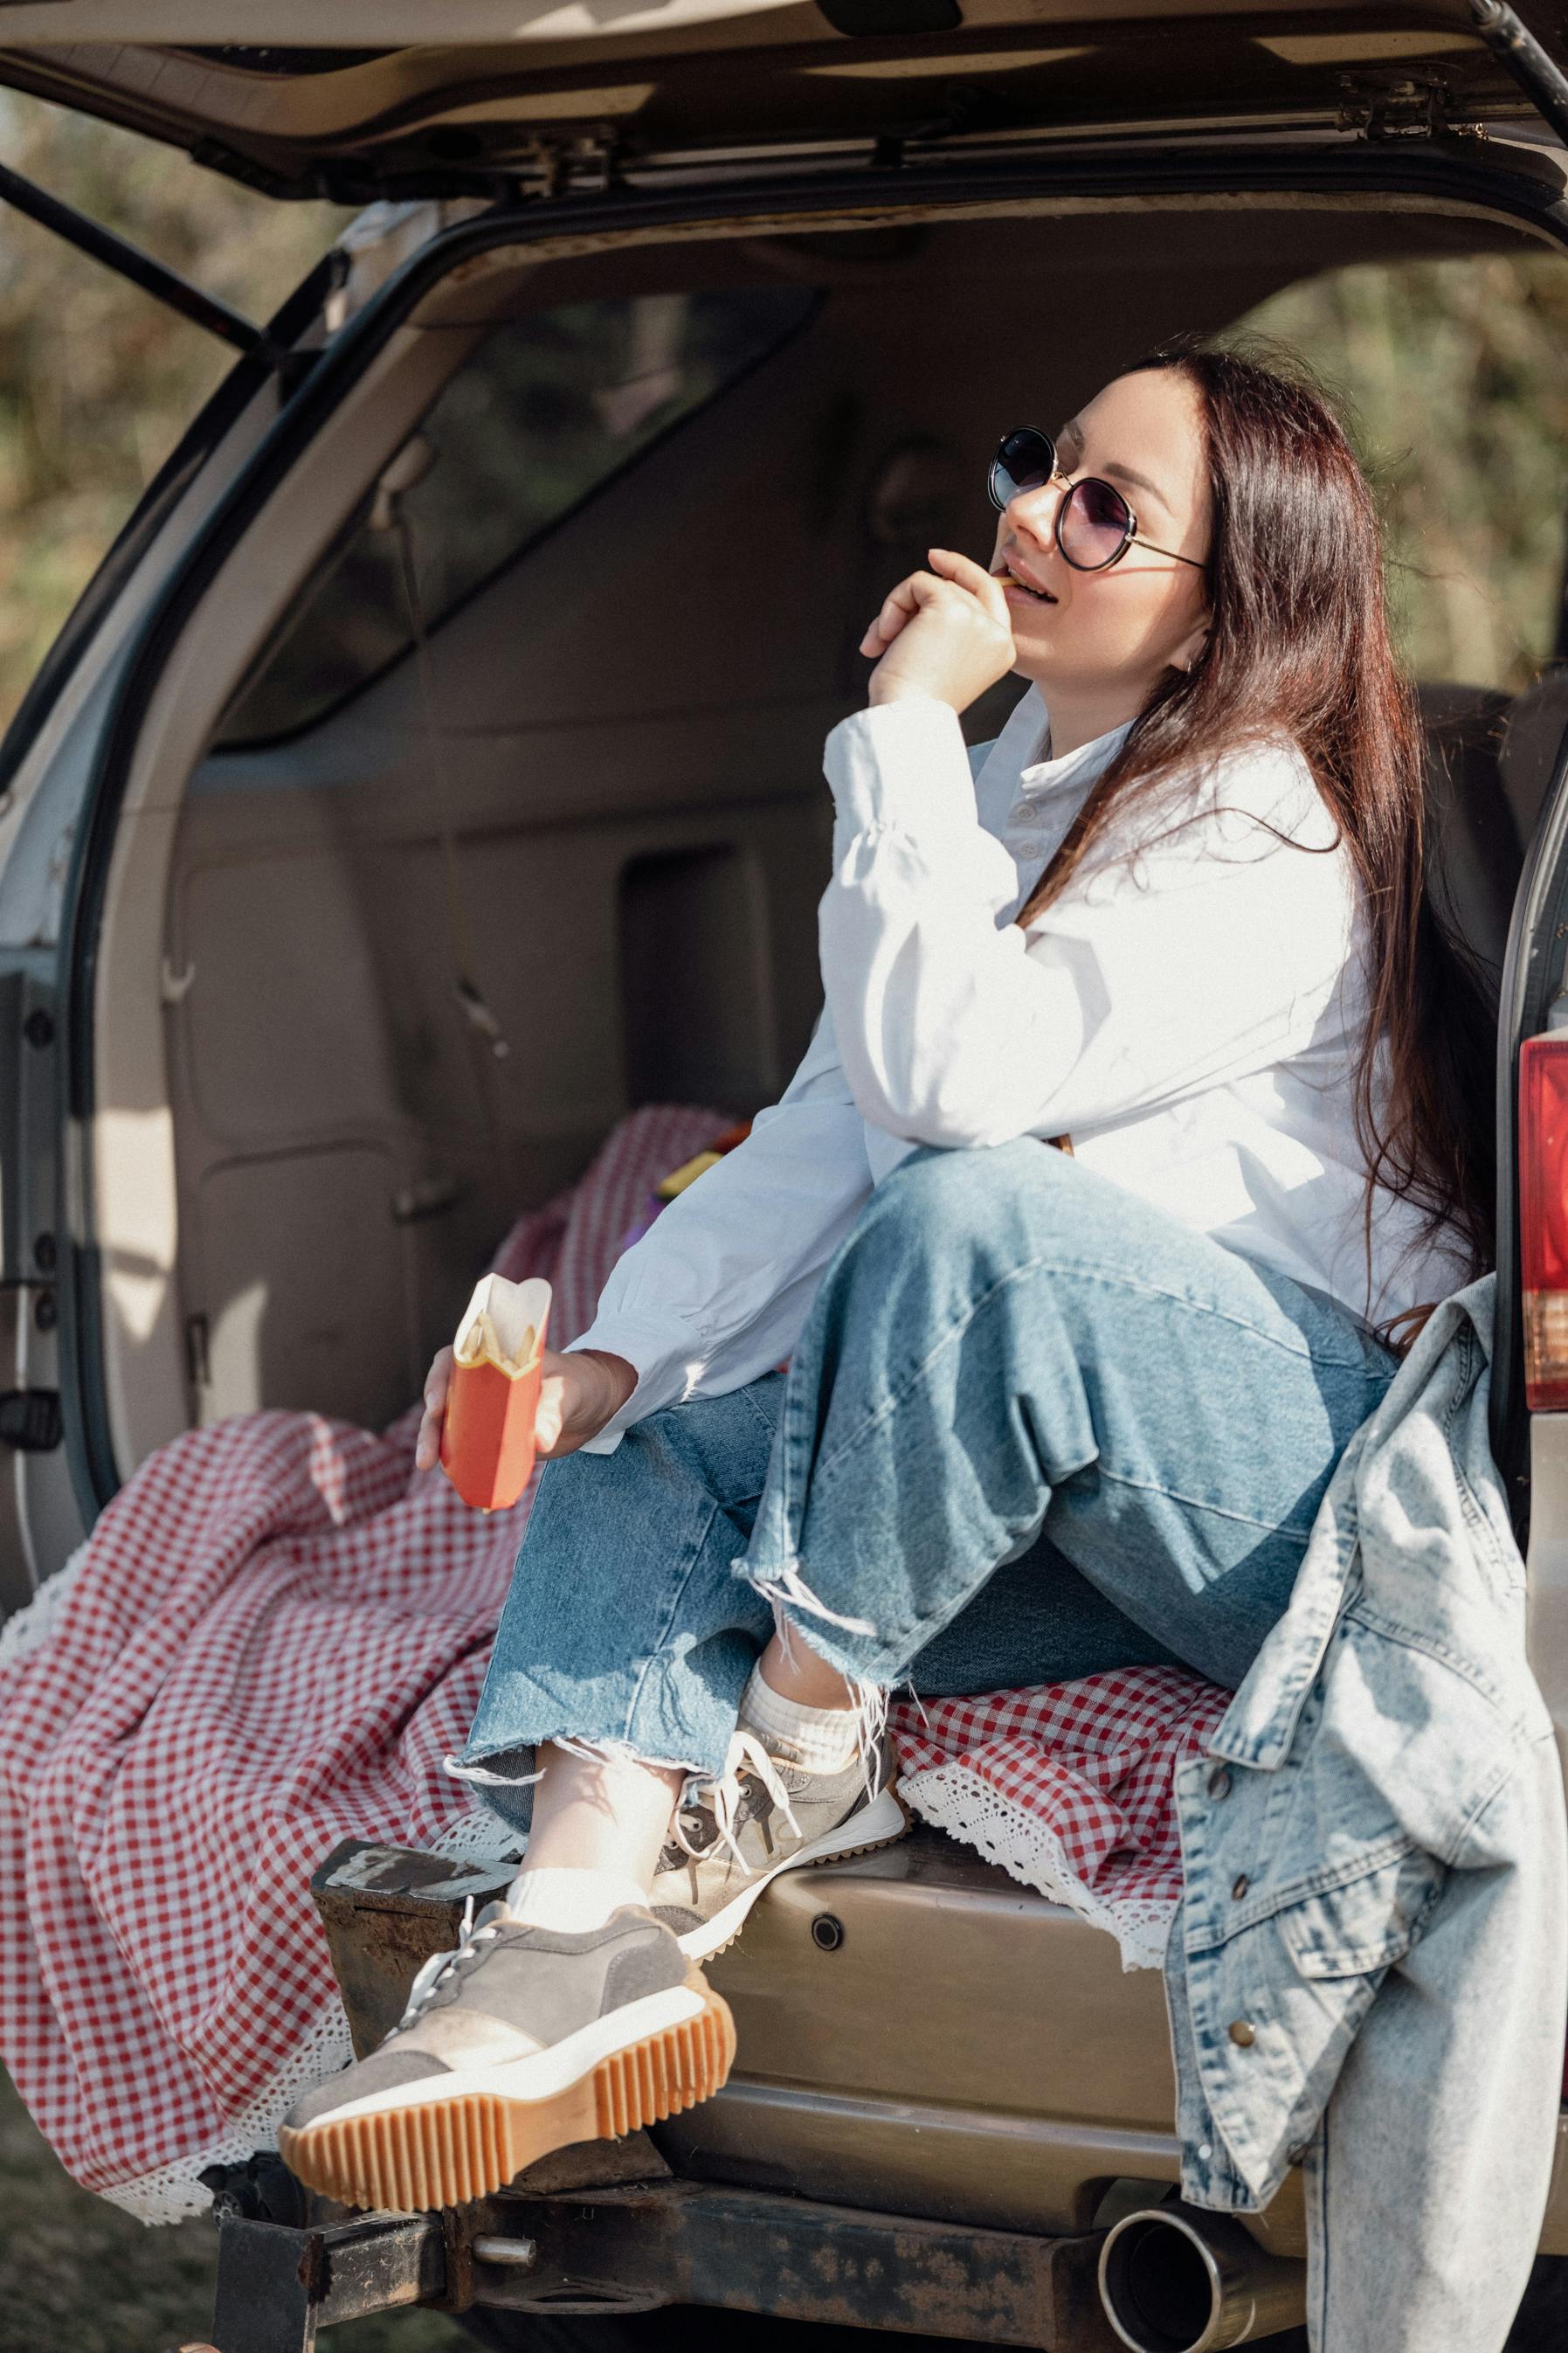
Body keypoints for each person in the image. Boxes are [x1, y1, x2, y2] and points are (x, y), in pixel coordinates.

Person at [279, 341, 1493, 2214]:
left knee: (970, 1218)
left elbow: (946, 1100)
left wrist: (906, 728)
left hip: (1294, 1499)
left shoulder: (1265, 825)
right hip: (1071, 1492)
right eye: (1043, 462)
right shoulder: (1016, 780)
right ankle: (565, 1947)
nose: (1033, 516)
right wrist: (608, 1364)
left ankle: (802, 1738)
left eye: (1109, 507)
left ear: (1220, 612)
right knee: (650, 1440)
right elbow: (823, 1127)